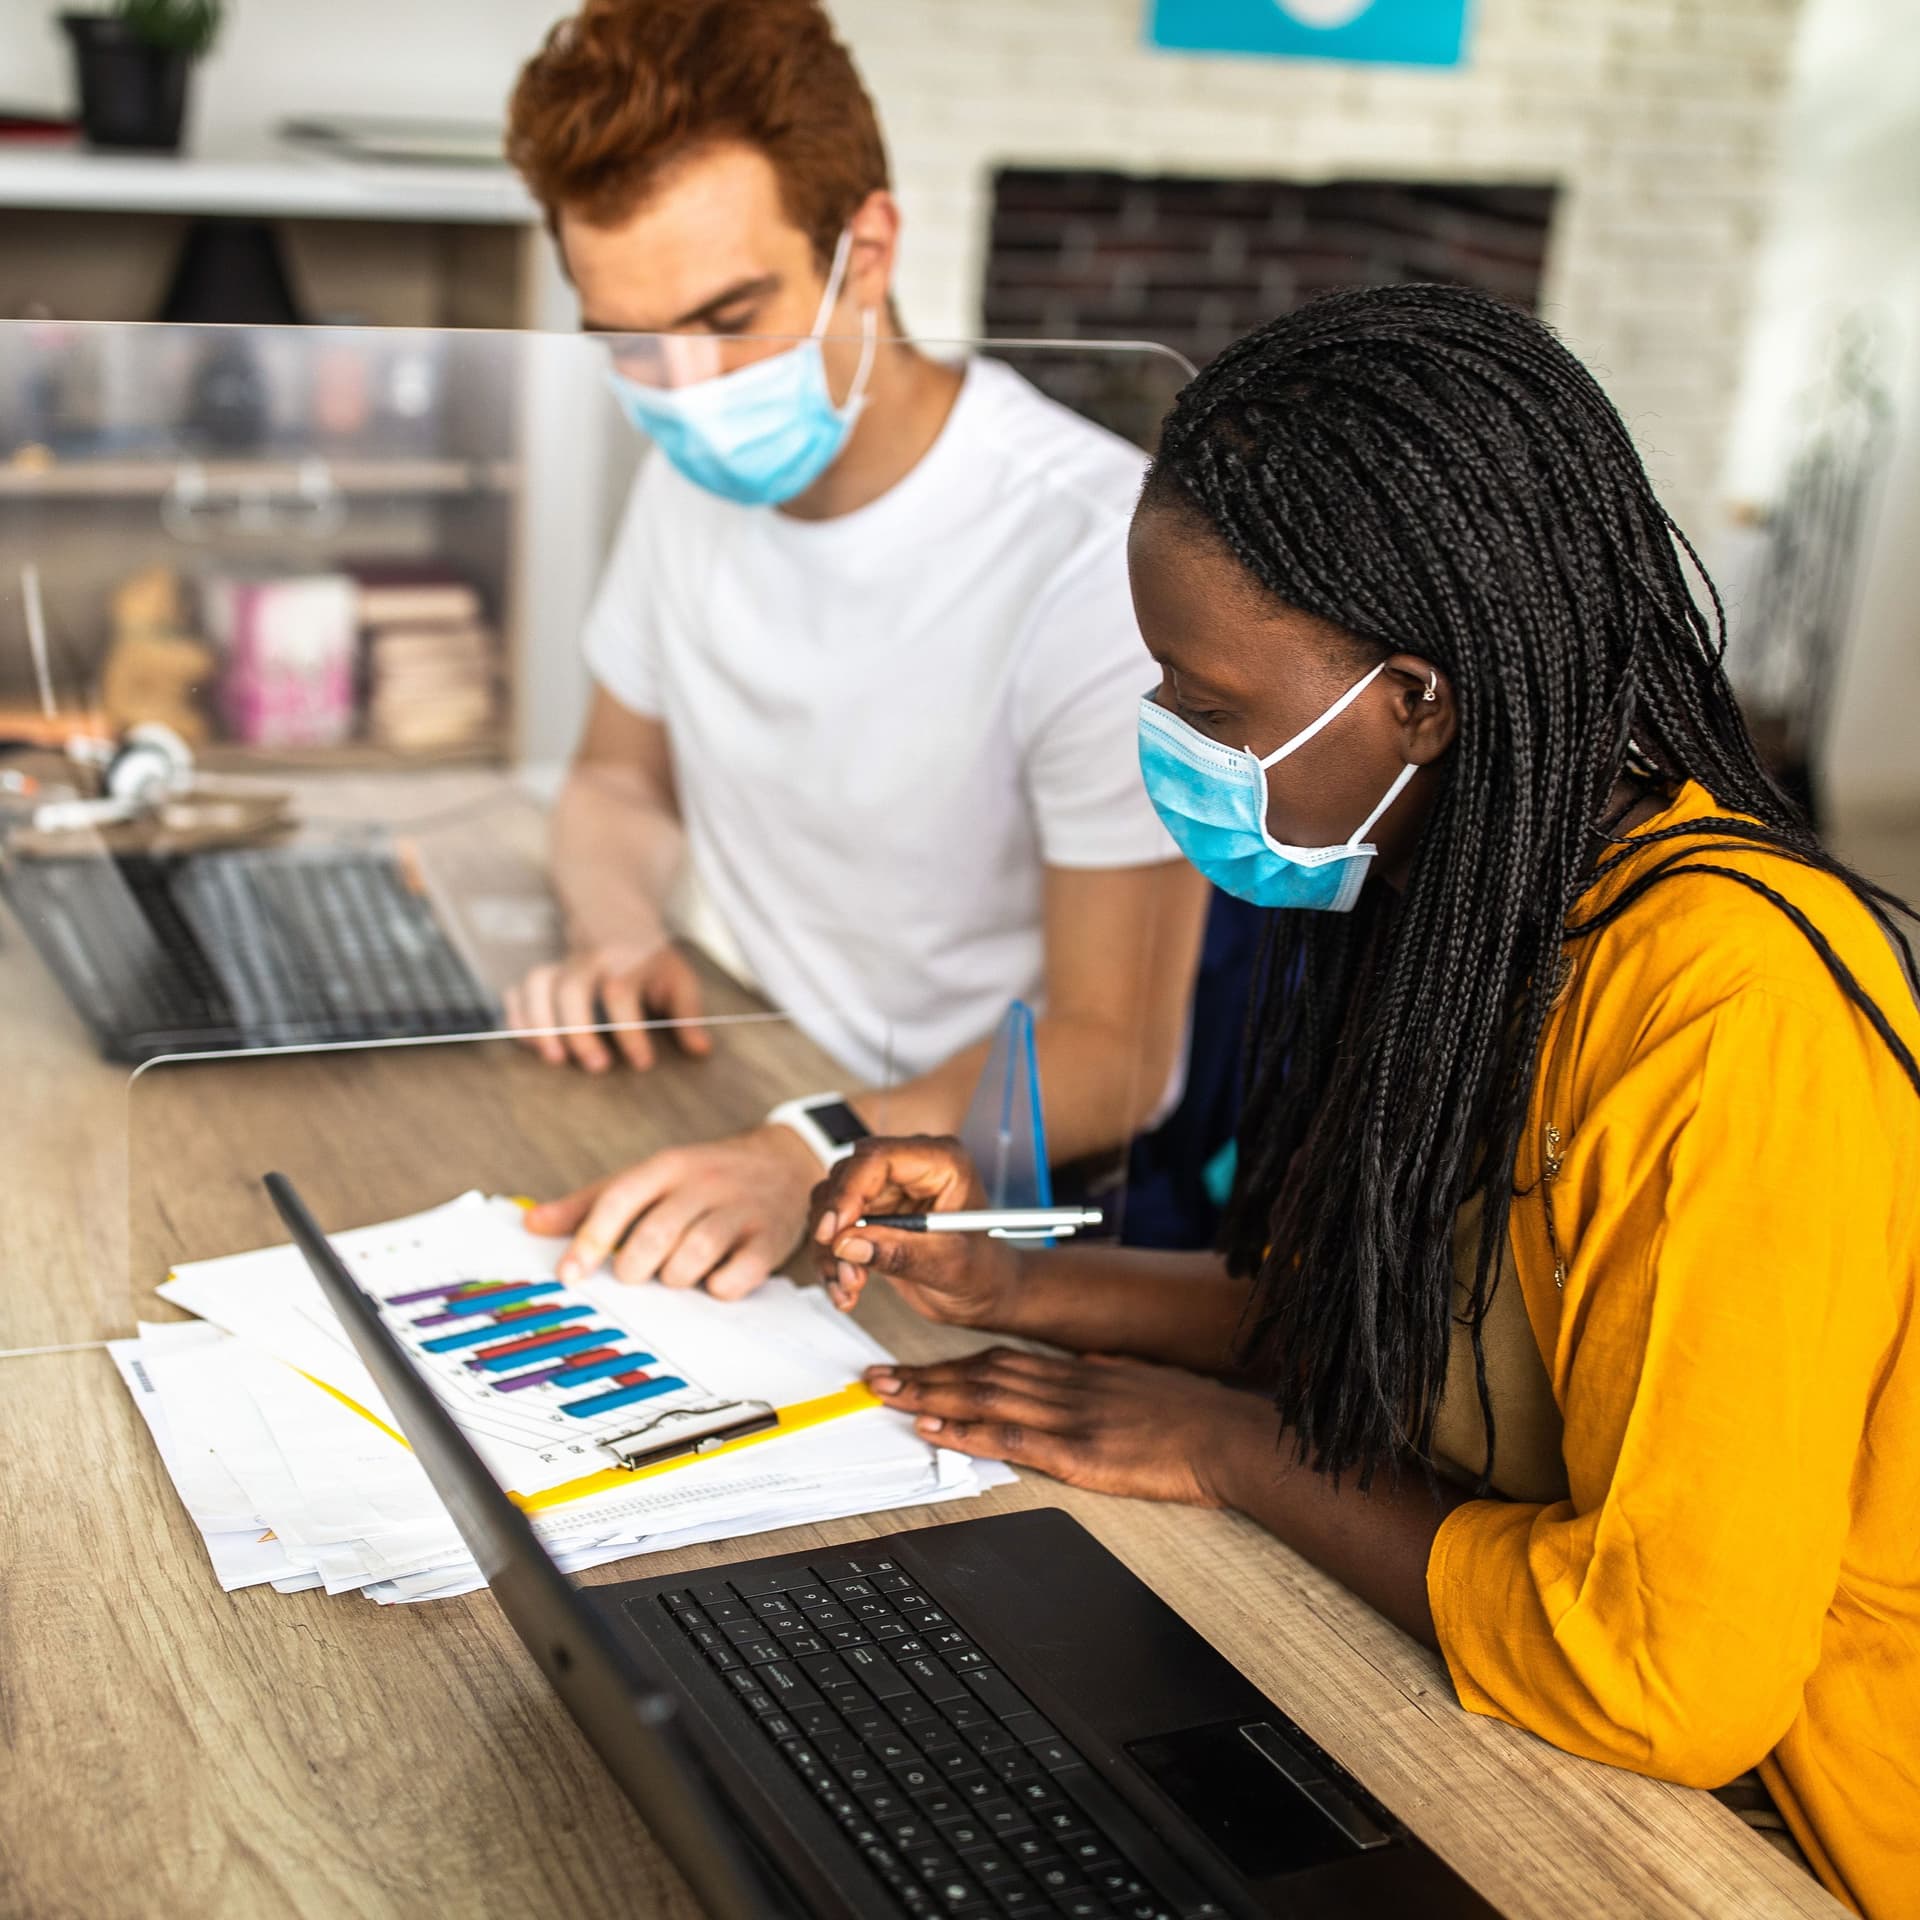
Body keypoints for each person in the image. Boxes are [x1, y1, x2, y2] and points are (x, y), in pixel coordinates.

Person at [808, 285, 1920, 1918]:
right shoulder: (1471, 894)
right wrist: (1021, 1284)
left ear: (1415, 698)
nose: (1166, 740)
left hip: (1777, 1841)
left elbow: (1670, 1679)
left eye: (1208, 704)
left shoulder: (1731, 1007)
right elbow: (1415, 1340)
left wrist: (1240, 1456)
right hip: (1543, 1730)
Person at [500, 0, 1205, 1298]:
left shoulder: (1093, 555)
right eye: (629, 346)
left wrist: (811, 1150)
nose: (685, 389)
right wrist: (613, 930)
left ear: (865, 248)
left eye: (729, 315)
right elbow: (614, 781)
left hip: (963, 1208)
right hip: (743, 1086)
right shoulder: (689, 487)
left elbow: (1119, 1051)